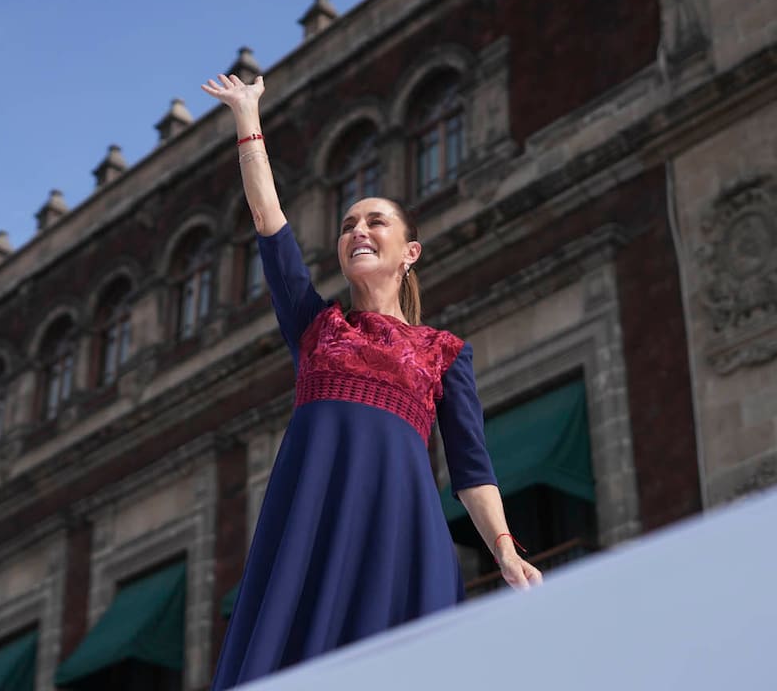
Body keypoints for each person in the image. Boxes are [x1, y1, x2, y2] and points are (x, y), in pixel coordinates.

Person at [202, 73, 542, 689]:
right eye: (348, 224)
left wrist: (505, 549)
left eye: (376, 221)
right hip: (314, 521)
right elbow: (268, 219)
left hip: (400, 534)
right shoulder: (314, 325)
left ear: (410, 251)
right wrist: (246, 117)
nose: (358, 230)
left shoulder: (444, 352)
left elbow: (472, 469)